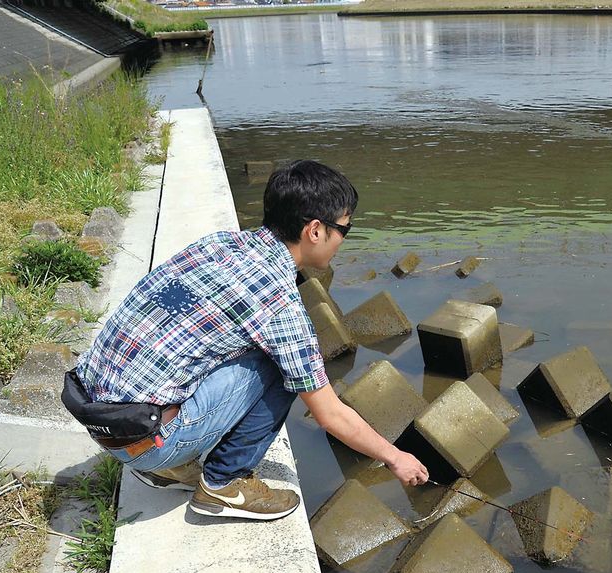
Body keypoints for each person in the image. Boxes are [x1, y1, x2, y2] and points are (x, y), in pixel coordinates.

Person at [72, 160, 428, 521]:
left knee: (261, 350)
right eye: (344, 230)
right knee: (292, 368)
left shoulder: (220, 244)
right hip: (146, 442)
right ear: (316, 231)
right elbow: (329, 413)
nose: (342, 242)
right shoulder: (278, 303)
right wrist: (395, 457)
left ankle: (167, 468)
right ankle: (223, 484)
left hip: (100, 416)